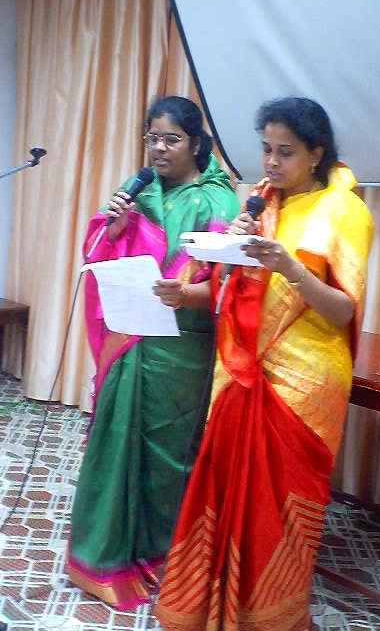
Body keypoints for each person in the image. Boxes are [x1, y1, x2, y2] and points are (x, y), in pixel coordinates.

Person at [154, 97, 374, 631]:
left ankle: (270, 617)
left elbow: (343, 310)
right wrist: (192, 289)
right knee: (224, 492)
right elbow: (234, 293)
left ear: (316, 154)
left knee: (274, 511)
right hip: (239, 373)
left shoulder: (345, 211)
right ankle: (209, 609)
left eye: (285, 152)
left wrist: (289, 268)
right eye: (266, 150)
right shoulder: (259, 204)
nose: (271, 163)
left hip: (301, 384)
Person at [66, 96, 240, 610]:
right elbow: (99, 253)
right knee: (116, 445)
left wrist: (184, 293)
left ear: (196, 143)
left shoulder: (217, 201)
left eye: (172, 139)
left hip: (182, 348)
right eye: (152, 138)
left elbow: (230, 282)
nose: (159, 149)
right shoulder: (137, 189)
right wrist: (115, 229)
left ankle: (169, 560)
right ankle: (108, 556)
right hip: (129, 341)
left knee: (169, 459)